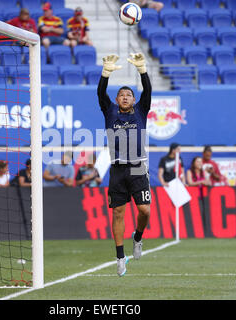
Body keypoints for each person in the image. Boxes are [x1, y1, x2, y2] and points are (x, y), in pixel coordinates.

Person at [97, 52, 152, 277]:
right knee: (118, 212)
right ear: (117, 100)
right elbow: (101, 93)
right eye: (122, 94)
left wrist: (142, 70)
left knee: (144, 211)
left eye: (129, 94)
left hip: (138, 167)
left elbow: (147, 91)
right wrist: (106, 73)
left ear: (134, 99)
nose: (126, 96)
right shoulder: (109, 112)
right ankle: (120, 257)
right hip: (118, 169)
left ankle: (137, 237)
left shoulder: (141, 111)